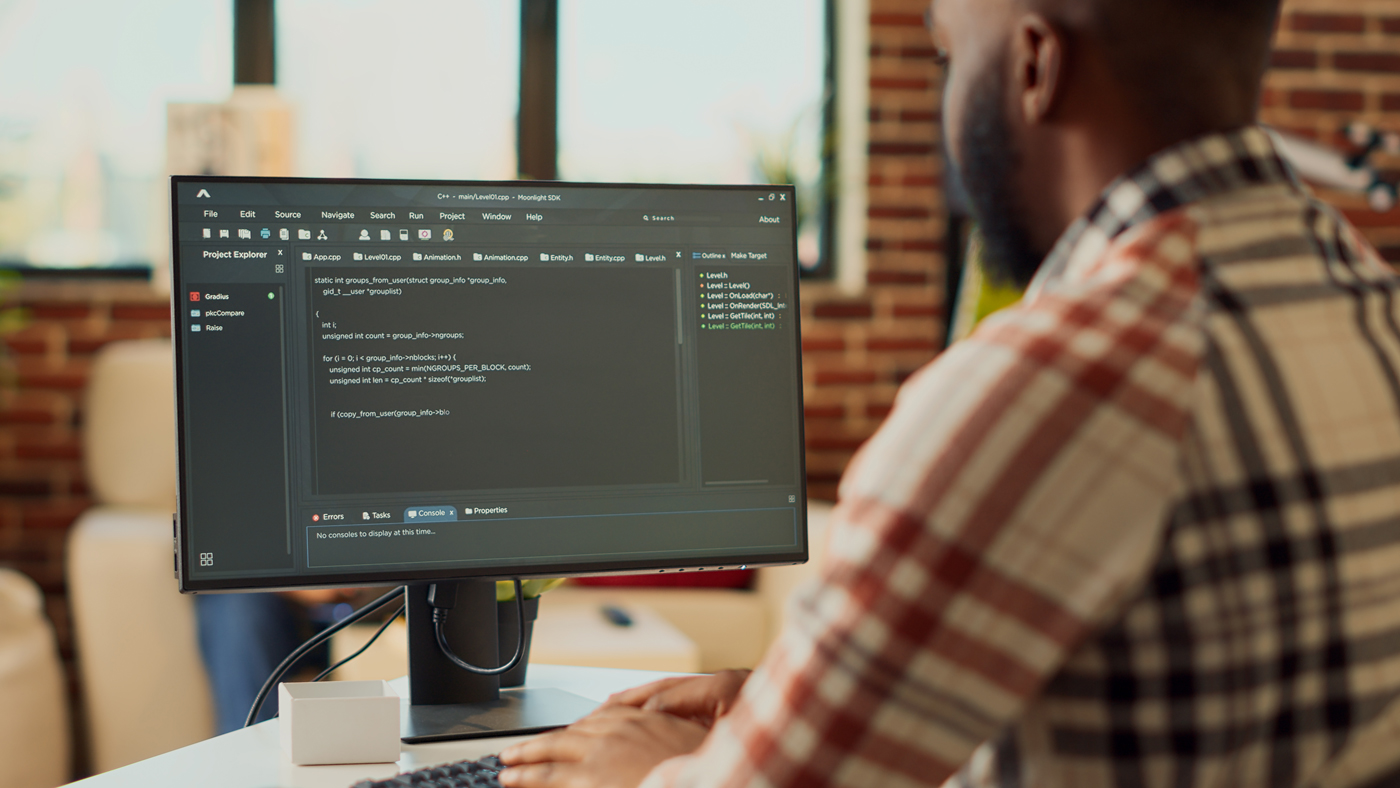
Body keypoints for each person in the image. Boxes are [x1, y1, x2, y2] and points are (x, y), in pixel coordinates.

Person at [500, 0, 1400, 785]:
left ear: (1034, 65)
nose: (944, 103)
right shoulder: (1367, 305)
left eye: (947, 53)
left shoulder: (1041, 389)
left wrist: (646, 770)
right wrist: (791, 704)